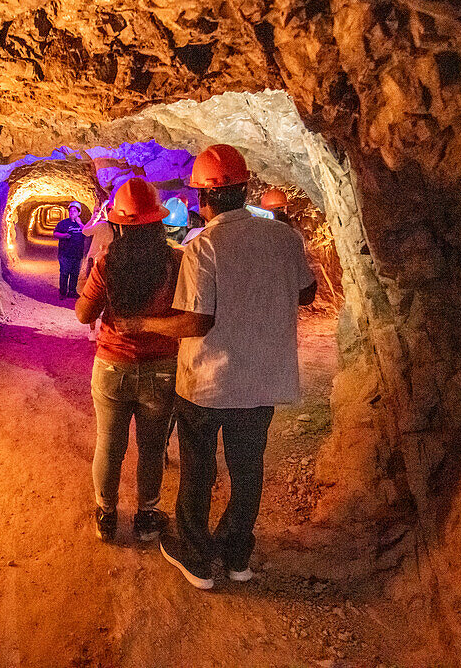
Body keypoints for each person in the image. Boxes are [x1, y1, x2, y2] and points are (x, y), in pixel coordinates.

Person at [119, 144, 317, 590]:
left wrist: (144, 322)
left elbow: (197, 320)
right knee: (248, 471)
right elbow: (305, 294)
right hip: (263, 380)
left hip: (209, 383)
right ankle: (235, 555)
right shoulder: (284, 238)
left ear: (203, 200)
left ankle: (196, 556)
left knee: (199, 469)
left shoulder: (202, 247)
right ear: (245, 189)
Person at [75, 178, 183, 543]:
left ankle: (106, 515)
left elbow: (83, 315)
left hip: (112, 365)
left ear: (119, 223)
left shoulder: (107, 264)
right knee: (152, 447)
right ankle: (146, 516)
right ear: (157, 221)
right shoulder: (176, 261)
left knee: (109, 442)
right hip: (163, 367)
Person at [79, 199, 115, 340]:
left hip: (94, 261)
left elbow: (85, 231)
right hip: (110, 263)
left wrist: (93, 219)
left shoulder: (101, 226)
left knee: (92, 295)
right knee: (108, 297)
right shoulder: (118, 228)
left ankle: (92, 332)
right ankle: (105, 330)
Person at [53, 201, 86, 299]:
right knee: (64, 273)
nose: (72, 212)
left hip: (77, 254)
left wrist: (80, 223)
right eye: (71, 210)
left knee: (75, 273)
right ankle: (63, 292)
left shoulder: (82, 224)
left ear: (79, 213)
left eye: (75, 211)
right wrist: (64, 235)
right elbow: (55, 234)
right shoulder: (63, 223)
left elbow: (87, 233)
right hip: (65, 253)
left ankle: (72, 291)